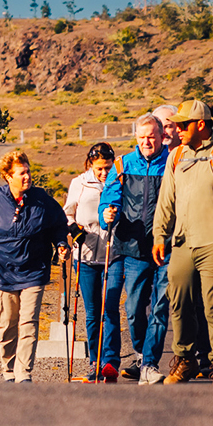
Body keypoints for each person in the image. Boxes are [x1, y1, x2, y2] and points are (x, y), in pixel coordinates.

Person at [153, 99, 213, 385]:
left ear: (200, 125)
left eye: (183, 125)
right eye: (176, 124)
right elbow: (166, 200)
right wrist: (160, 234)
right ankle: (184, 360)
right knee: (179, 302)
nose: (177, 129)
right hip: (182, 243)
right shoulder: (176, 156)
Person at [0, 150, 68, 383]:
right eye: (22, 173)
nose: (27, 177)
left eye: (28, 171)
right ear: (8, 176)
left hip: (34, 271)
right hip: (2, 272)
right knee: (7, 323)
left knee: (29, 322)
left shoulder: (43, 200)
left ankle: (23, 373)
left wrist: (60, 243)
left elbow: (59, 224)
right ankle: (8, 370)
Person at [99, 114, 170, 385]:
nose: (146, 142)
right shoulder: (123, 164)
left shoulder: (173, 163)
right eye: (141, 137)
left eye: (151, 137)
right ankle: (141, 353)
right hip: (132, 247)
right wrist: (107, 212)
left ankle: (150, 363)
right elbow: (109, 196)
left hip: (166, 247)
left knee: (160, 307)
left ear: (162, 136)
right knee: (134, 307)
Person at [64, 143, 120, 382]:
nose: (104, 173)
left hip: (113, 253)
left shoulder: (119, 182)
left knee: (110, 308)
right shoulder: (79, 183)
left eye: (107, 167)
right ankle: (94, 361)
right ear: (90, 164)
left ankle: (110, 361)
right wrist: (73, 229)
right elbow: (67, 213)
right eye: (99, 168)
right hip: (85, 255)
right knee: (92, 312)